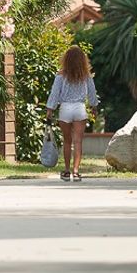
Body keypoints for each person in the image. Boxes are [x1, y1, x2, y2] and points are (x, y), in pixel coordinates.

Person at [45, 45, 99, 182]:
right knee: (78, 142)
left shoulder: (61, 75)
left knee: (67, 141)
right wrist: (94, 106)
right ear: (82, 60)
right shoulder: (86, 75)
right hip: (80, 108)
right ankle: (76, 172)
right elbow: (92, 92)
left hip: (65, 109)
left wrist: (50, 109)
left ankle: (67, 171)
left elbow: (54, 93)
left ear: (66, 59)